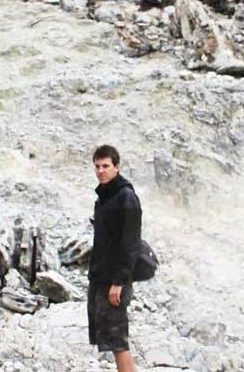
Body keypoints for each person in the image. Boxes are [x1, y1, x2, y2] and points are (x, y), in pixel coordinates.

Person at [88, 145, 142, 372]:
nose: (101, 171)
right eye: (97, 166)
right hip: (101, 277)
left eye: (106, 166)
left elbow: (130, 244)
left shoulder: (126, 197)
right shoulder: (104, 196)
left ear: (117, 167)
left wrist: (119, 282)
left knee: (118, 341)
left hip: (114, 282)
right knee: (109, 338)